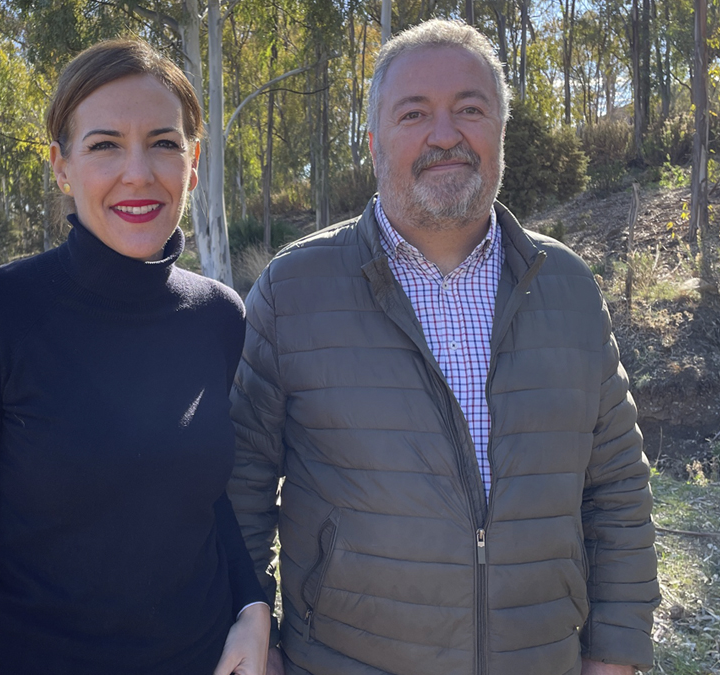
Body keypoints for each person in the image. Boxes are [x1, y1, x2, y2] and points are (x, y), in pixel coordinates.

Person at [228, 19, 660, 675]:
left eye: (469, 109)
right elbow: (241, 486)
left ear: (500, 131)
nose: (444, 134)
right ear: (374, 142)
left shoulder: (568, 288)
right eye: (414, 113)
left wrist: (615, 653)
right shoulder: (293, 290)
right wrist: (252, 622)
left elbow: (618, 489)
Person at [0, 39, 269, 675]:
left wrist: (253, 605)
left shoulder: (220, 316)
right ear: (62, 166)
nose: (139, 172)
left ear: (192, 162)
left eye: (163, 142)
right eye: (104, 145)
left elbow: (209, 499)